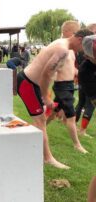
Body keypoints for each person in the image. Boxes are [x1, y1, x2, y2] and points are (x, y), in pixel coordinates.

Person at [17, 29, 93, 169]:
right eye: (85, 47)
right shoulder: (63, 50)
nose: (84, 51)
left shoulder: (62, 44)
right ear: (80, 39)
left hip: (30, 82)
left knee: (42, 120)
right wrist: (45, 96)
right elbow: (47, 73)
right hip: (28, 83)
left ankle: (31, 144)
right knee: (40, 122)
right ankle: (48, 158)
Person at [46, 20, 88, 153]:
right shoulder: (60, 47)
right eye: (76, 32)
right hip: (61, 86)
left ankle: (39, 129)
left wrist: (77, 73)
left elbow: (70, 67)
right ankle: (77, 144)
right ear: (69, 32)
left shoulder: (72, 50)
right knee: (71, 116)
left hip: (69, 85)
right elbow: (51, 69)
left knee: (53, 114)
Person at [75, 23, 96, 136]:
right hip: (86, 84)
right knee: (88, 104)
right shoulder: (85, 71)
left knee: (81, 103)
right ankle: (81, 130)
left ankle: (74, 125)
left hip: (83, 82)